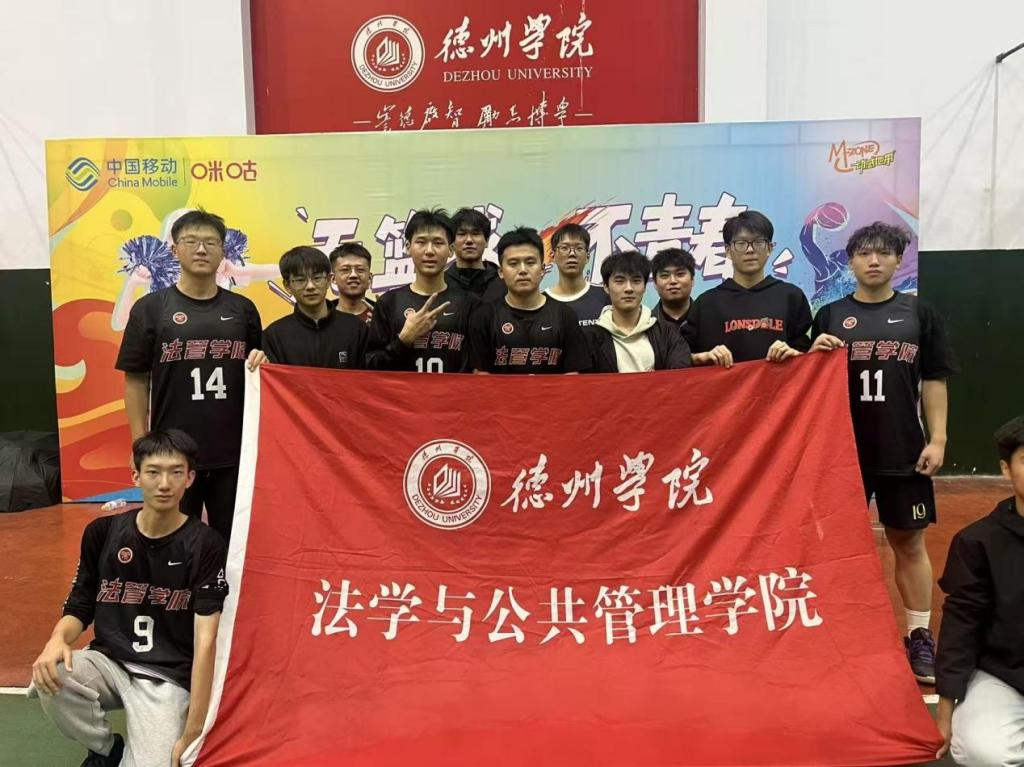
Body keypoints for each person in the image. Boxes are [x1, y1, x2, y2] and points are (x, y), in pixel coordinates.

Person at [812, 221, 958, 684]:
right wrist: (814, 351)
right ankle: (835, 633)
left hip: (902, 449)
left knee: (908, 542)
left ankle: (919, 635)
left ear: (898, 260)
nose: (873, 261)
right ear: (850, 261)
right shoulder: (829, 315)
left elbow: (934, 380)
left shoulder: (919, 314)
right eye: (864, 253)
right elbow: (805, 381)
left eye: (883, 253)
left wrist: (938, 438)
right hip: (840, 453)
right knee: (833, 547)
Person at [31, 430, 228, 767]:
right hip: (110, 661)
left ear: (190, 478)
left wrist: (194, 730)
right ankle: (106, 750)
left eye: (175, 472)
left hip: (166, 676)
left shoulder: (205, 544)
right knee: (52, 674)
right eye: (153, 472)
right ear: (136, 476)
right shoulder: (103, 533)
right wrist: (56, 640)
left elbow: (206, 641)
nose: (164, 483)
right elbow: (80, 603)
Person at [116, 209, 263, 543]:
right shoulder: (151, 308)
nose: (201, 249)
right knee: (175, 539)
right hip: (173, 451)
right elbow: (136, 379)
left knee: (233, 540)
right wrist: (140, 444)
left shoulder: (243, 310)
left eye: (211, 242)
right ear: (174, 249)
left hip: (234, 449)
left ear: (223, 251)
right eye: (191, 241)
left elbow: (259, 374)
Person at [933, 416, 1024, 763]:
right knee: (980, 750)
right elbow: (961, 625)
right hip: (1005, 675)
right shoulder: (978, 542)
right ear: (1006, 468)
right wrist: (945, 713)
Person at [682, 210, 811, 367]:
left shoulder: (791, 297)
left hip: (779, 383)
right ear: (728, 251)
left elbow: (808, 359)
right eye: (741, 243)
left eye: (758, 242)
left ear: (770, 248)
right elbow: (678, 359)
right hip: (726, 384)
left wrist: (793, 354)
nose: (750, 250)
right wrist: (702, 357)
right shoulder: (706, 303)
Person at [367, 209, 478, 373]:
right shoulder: (389, 302)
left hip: (453, 390)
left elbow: (479, 366)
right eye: (421, 242)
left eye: (438, 243)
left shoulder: (470, 304)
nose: (429, 251)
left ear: (451, 249)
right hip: (403, 390)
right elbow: (370, 365)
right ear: (408, 247)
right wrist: (403, 340)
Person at [468, 227, 591, 374]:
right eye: (513, 263)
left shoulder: (564, 316)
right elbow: (480, 376)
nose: (522, 270)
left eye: (530, 262)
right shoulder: (484, 317)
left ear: (542, 269)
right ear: (501, 272)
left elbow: (573, 376)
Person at [585, 250, 691, 373]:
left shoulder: (668, 333)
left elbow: (680, 377)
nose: (629, 288)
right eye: (620, 281)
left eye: (636, 281)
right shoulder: (590, 338)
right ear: (606, 287)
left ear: (645, 286)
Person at [263, 246, 368, 369]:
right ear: (287, 286)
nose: (310, 286)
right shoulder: (274, 336)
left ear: (328, 280)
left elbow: (370, 376)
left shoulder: (356, 328)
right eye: (300, 280)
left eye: (317, 278)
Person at [543, 222, 609, 326]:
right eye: (564, 248)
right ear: (553, 256)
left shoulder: (606, 296)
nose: (572, 253)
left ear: (587, 256)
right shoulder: (541, 302)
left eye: (579, 248)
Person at [444, 207, 506, 303]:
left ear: (486, 241)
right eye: (462, 234)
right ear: (451, 242)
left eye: (475, 233)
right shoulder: (442, 282)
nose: (469, 240)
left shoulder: (502, 281)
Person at [330, 242, 376, 325]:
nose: (353, 275)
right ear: (333, 278)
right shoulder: (323, 317)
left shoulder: (383, 316)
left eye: (360, 270)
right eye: (345, 270)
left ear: (369, 278)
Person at [650, 247, 697, 329]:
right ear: (655, 283)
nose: (673, 281)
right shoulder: (645, 325)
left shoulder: (708, 319)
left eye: (680, 274)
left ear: (692, 280)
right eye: (665, 275)